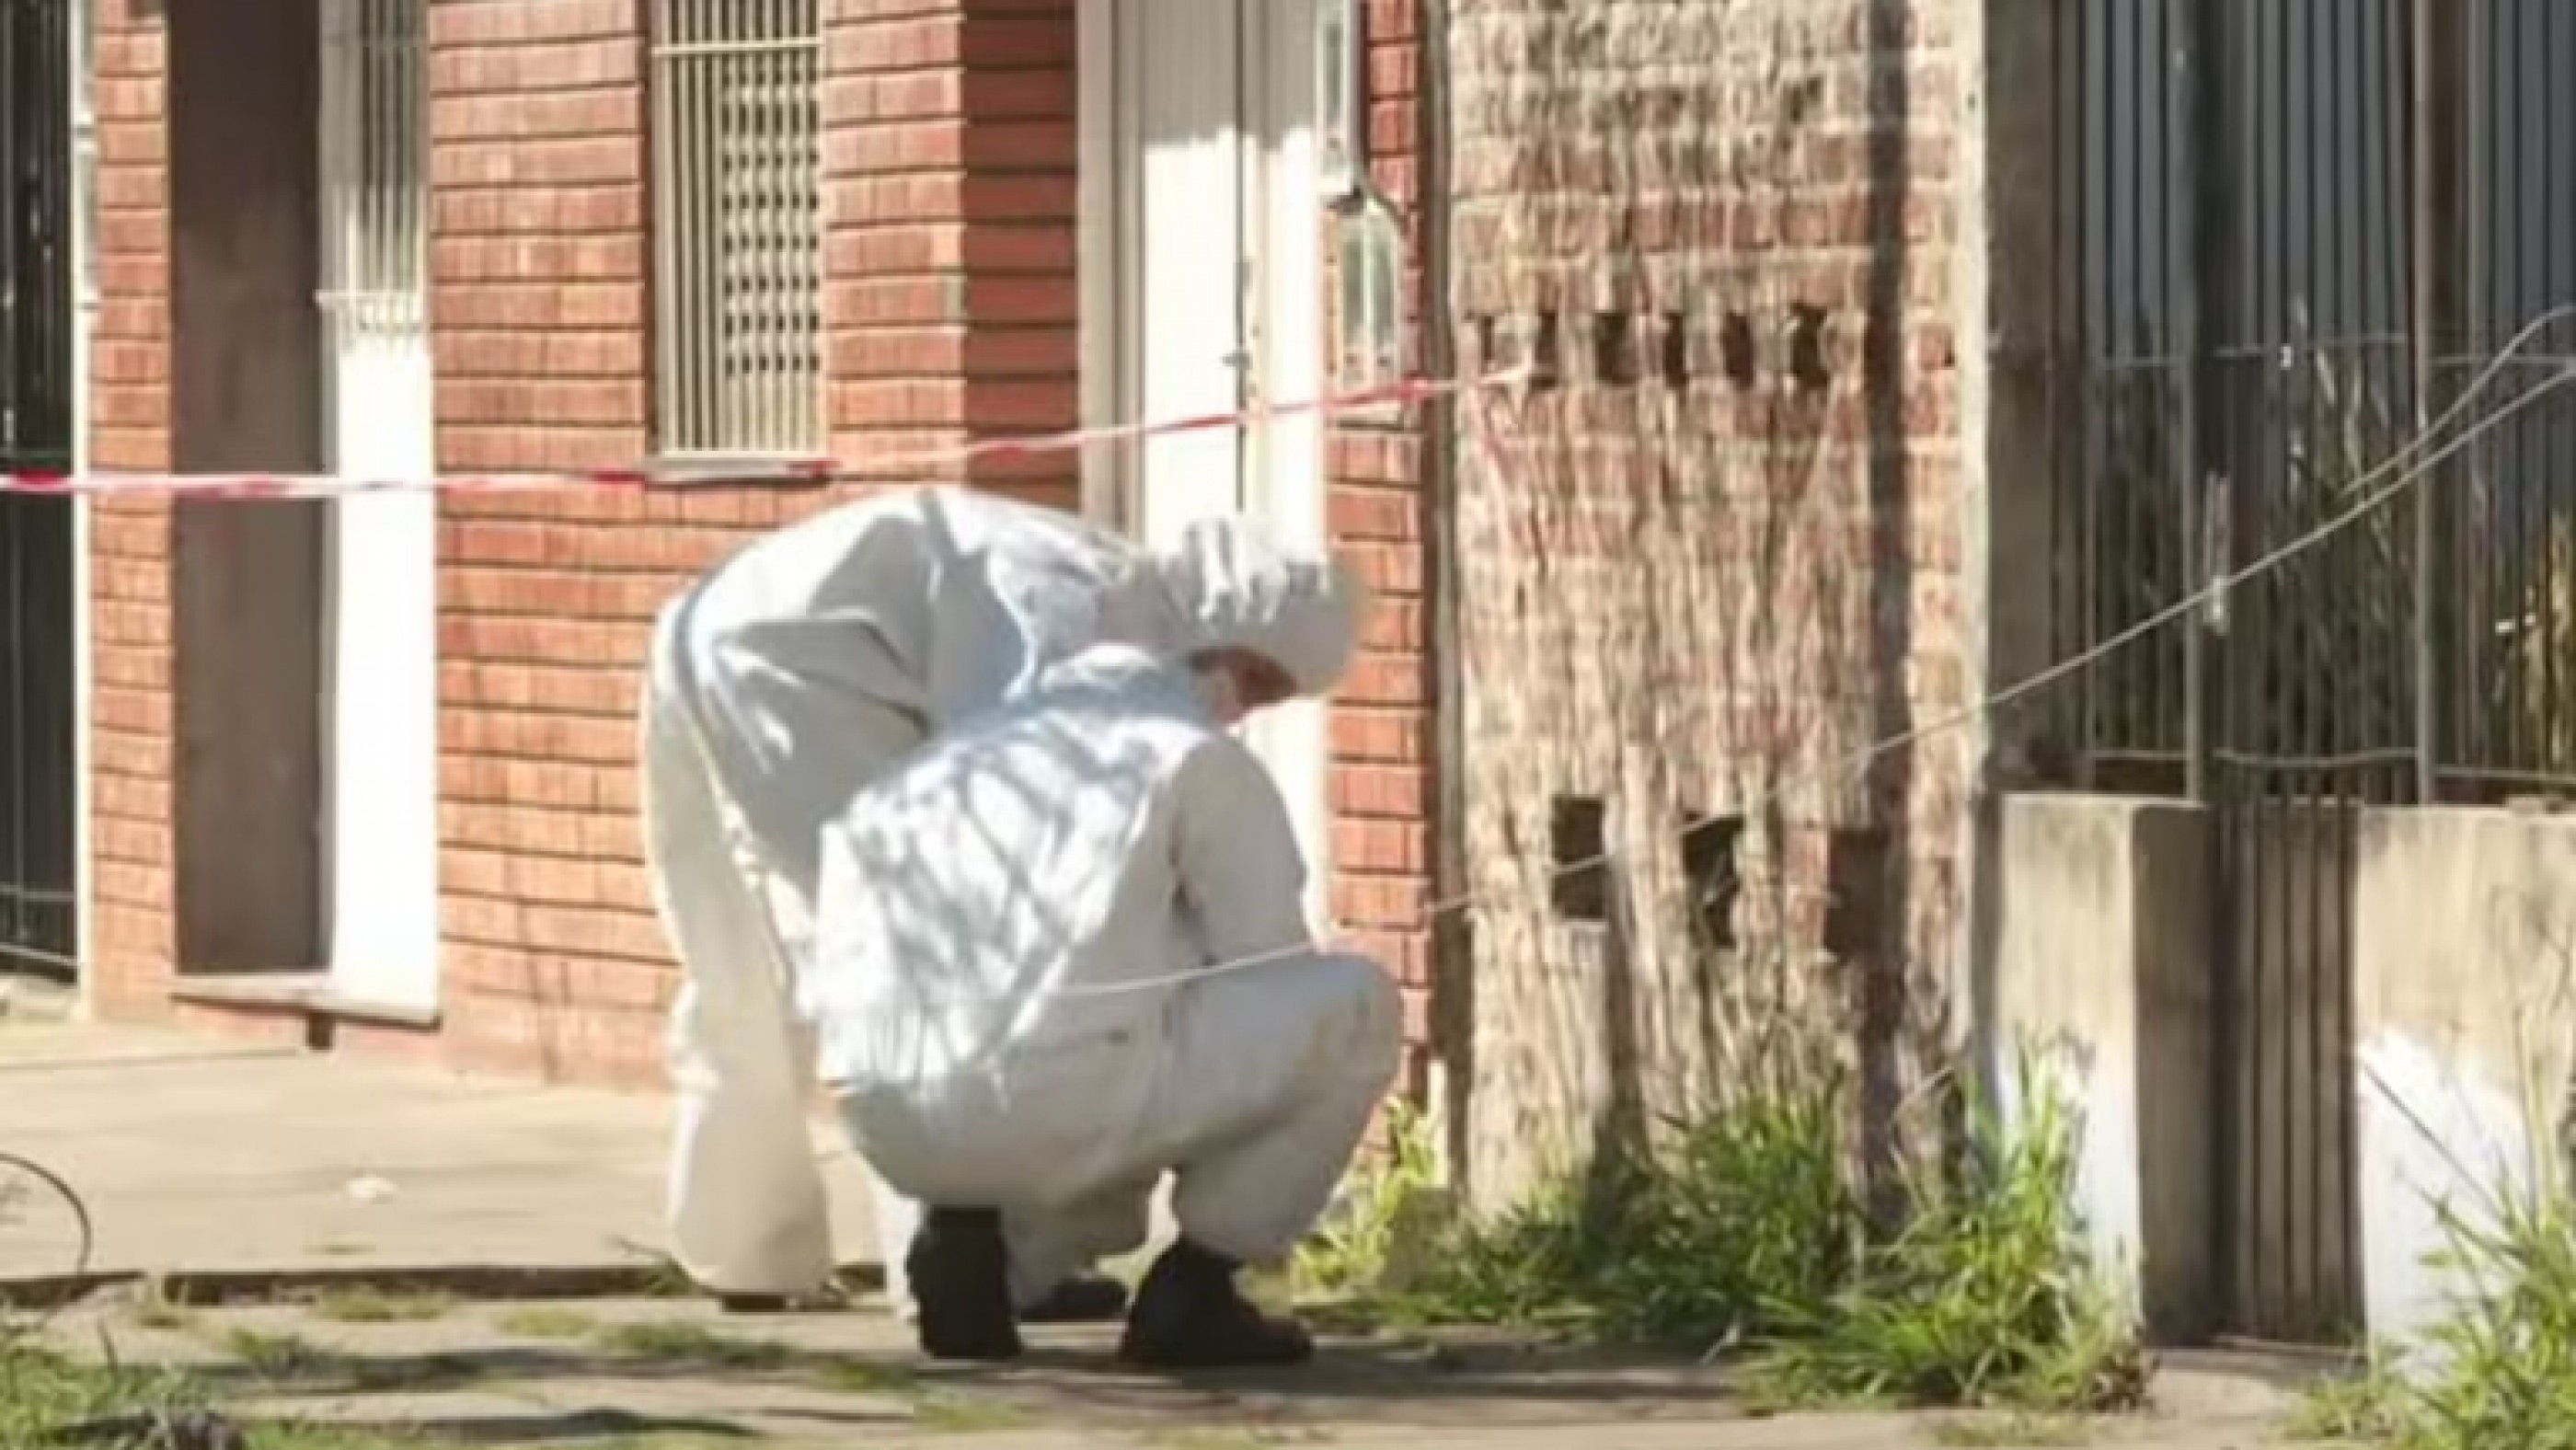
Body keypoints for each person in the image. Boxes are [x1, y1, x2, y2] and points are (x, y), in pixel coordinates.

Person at [641, 483, 1365, 1321]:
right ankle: (964, 1253)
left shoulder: (1122, 604)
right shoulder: (1074, 617)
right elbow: (1011, 872)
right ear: (1227, 635)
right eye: (1258, 685)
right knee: (902, 950)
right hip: (794, 669)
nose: (1245, 713)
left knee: (748, 949)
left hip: (721, 625)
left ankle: (751, 1247)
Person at [802, 627, 1400, 1368]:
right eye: (1256, 692)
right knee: (1354, 1006)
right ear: (1222, 671)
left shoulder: (925, 770)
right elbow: (1265, 953)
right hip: (1062, 1087)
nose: (1246, 714)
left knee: (1066, 1057)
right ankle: (1202, 1285)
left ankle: (972, 1252)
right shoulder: (1187, 753)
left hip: (884, 1114)